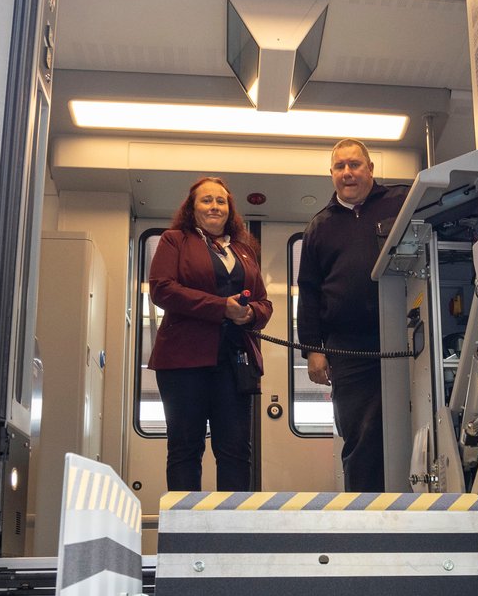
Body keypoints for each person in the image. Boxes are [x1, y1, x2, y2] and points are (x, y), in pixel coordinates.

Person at [147, 177, 273, 492]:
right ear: (192, 207)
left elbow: (263, 302)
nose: (214, 206)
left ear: (230, 209)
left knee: (235, 451)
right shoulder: (174, 240)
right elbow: (162, 289)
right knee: (186, 449)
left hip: (234, 362)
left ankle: (231, 534)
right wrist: (221, 307)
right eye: (206, 200)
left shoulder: (244, 250)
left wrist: (251, 314)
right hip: (182, 362)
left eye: (221, 200)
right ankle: (185, 535)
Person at [296, 139, 409, 492]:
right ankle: (365, 523)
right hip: (349, 350)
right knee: (360, 434)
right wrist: (314, 350)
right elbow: (309, 292)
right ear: (331, 174)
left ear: (370, 169)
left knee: (415, 426)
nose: (348, 172)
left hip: (407, 341)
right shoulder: (320, 226)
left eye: (355, 165)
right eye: (340, 166)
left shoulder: (402, 203)